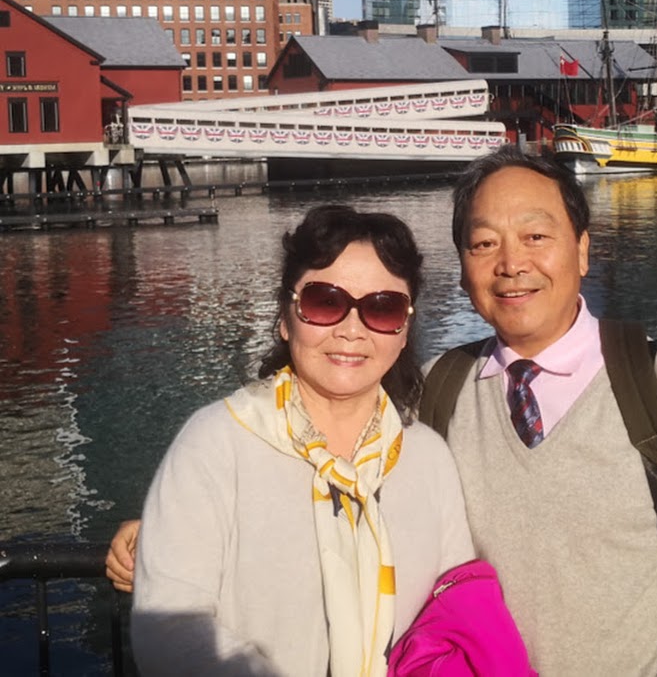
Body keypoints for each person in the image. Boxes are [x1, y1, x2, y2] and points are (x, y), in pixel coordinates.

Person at [111, 147, 657, 677]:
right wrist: (168, 530)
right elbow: (331, 443)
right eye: (483, 244)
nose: (512, 264)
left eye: (536, 236)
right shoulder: (440, 390)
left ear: (582, 249)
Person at [127, 205, 475, 676]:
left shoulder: (427, 458)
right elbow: (168, 629)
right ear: (286, 317)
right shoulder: (216, 444)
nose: (351, 330)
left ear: (404, 329)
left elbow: (455, 612)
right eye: (325, 302)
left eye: (382, 307)